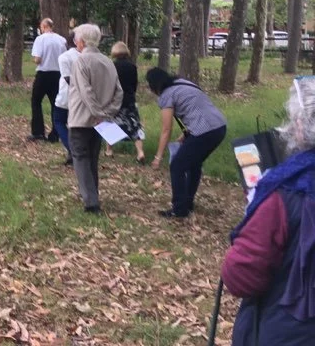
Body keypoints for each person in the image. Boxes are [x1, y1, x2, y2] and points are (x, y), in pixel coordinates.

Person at [221, 78, 315, 344]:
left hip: (291, 330)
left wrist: (257, 208)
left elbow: (241, 276)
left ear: (299, 127)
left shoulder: (284, 192)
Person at [146, 67, 226, 218]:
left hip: (205, 130)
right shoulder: (184, 83)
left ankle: (179, 209)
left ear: (154, 85)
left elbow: (166, 129)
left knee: (177, 166)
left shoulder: (166, 96)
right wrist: (187, 132)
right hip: (219, 126)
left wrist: (158, 157)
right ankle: (187, 204)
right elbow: (196, 107)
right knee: (193, 164)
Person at [68, 24, 123, 214]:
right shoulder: (108, 61)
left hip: (82, 119)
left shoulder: (81, 62)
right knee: (91, 159)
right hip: (101, 121)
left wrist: (99, 113)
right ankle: (92, 192)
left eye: (76, 40)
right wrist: (108, 113)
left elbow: (86, 92)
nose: (76, 43)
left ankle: (91, 202)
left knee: (81, 158)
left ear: (82, 42)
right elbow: (119, 93)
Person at [29, 17, 68, 141]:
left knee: (36, 101)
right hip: (57, 74)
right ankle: (55, 133)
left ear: (44, 26)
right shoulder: (62, 40)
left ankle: (38, 132)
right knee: (55, 103)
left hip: (43, 73)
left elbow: (38, 59)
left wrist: (35, 60)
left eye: (41, 27)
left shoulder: (40, 39)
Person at [108, 42, 146, 163]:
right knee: (135, 125)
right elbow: (134, 84)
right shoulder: (132, 66)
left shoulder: (111, 66)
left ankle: (109, 150)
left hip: (115, 99)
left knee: (112, 124)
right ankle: (140, 152)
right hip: (129, 99)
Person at [53, 31, 79, 166]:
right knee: (74, 125)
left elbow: (67, 78)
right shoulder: (85, 56)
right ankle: (71, 154)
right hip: (82, 99)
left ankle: (72, 149)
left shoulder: (65, 57)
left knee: (59, 122)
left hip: (67, 96)